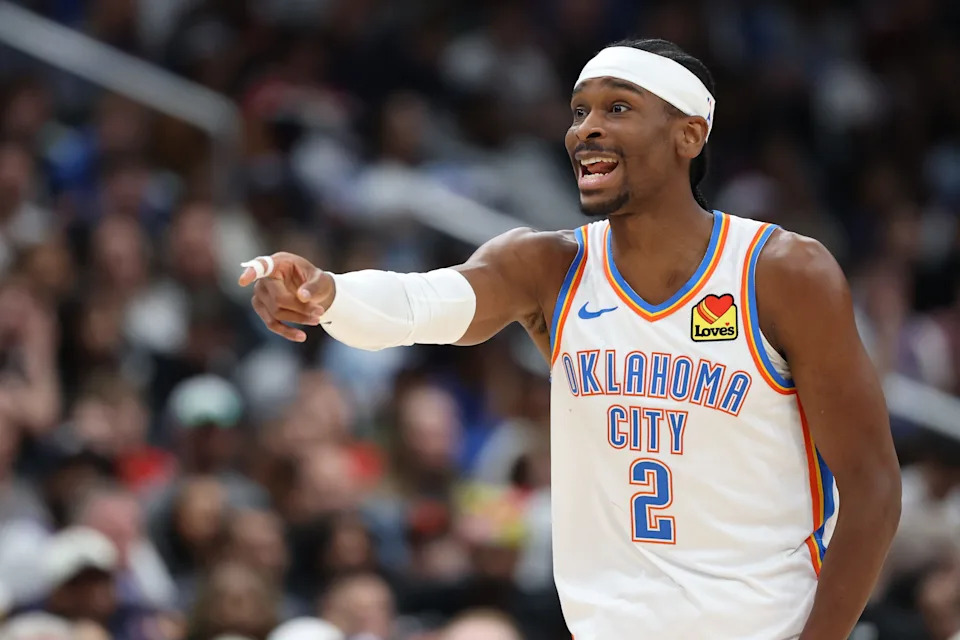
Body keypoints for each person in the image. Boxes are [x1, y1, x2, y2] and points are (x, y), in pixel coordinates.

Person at [239, 38, 902, 639]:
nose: (587, 129)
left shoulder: (780, 271)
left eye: (617, 108)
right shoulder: (549, 266)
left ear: (689, 134)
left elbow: (872, 485)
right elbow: (423, 304)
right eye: (579, 111)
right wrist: (326, 293)